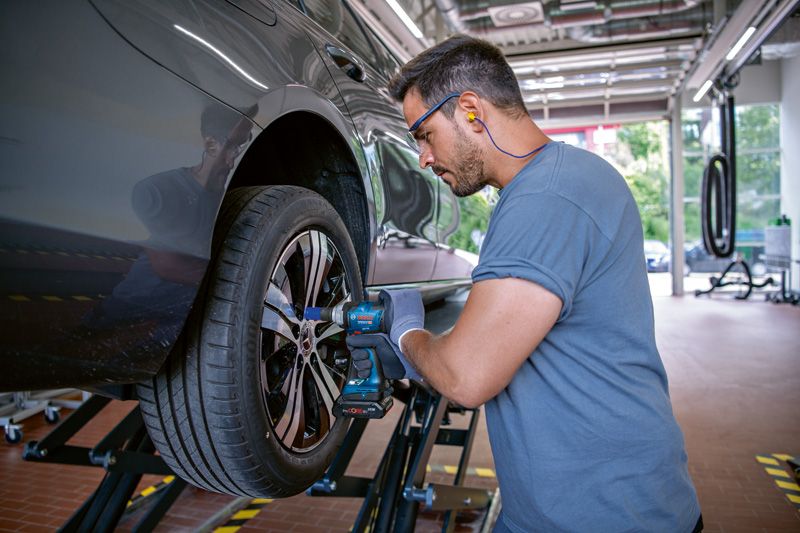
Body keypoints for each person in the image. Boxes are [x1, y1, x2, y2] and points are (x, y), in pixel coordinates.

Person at [346, 35, 701, 532]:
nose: (423, 158)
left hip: (607, 517)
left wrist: (405, 333)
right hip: (575, 508)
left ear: (470, 110)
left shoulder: (547, 197)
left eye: (424, 134)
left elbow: (467, 377)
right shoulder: (564, 180)